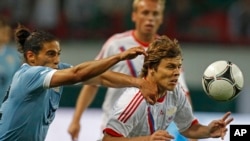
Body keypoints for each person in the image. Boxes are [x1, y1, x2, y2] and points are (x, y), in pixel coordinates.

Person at [0, 24, 158, 141]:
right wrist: (119, 57)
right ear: (31, 56)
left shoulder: (56, 72)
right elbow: (77, 74)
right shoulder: (28, 75)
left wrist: (138, 83)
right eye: (50, 54)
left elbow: (102, 77)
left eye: (58, 54)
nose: (56, 60)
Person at [68, 0, 196, 141]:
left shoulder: (169, 51)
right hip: (116, 129)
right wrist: (76, 119)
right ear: (134, 15)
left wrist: (191, 131)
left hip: (149, 132)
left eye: (155, 14)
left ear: (161, 18)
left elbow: (183, 93)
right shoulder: (115, 44)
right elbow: (93, 81)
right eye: (145, 12)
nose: (150, 18)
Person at [102, 35, 233, 141]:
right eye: (170, 67)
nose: (177, 72)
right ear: (152, 68)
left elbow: (188, 127)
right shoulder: (135, 99)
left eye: (178, 66)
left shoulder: (175, 92)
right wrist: (148, 140)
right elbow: (108, 139)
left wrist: (208, 131)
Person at [0, 17, 21, 107]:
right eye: (3, 31)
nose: (7, 34)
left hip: (5, 107)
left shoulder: (14, 56)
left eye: (8, 32)